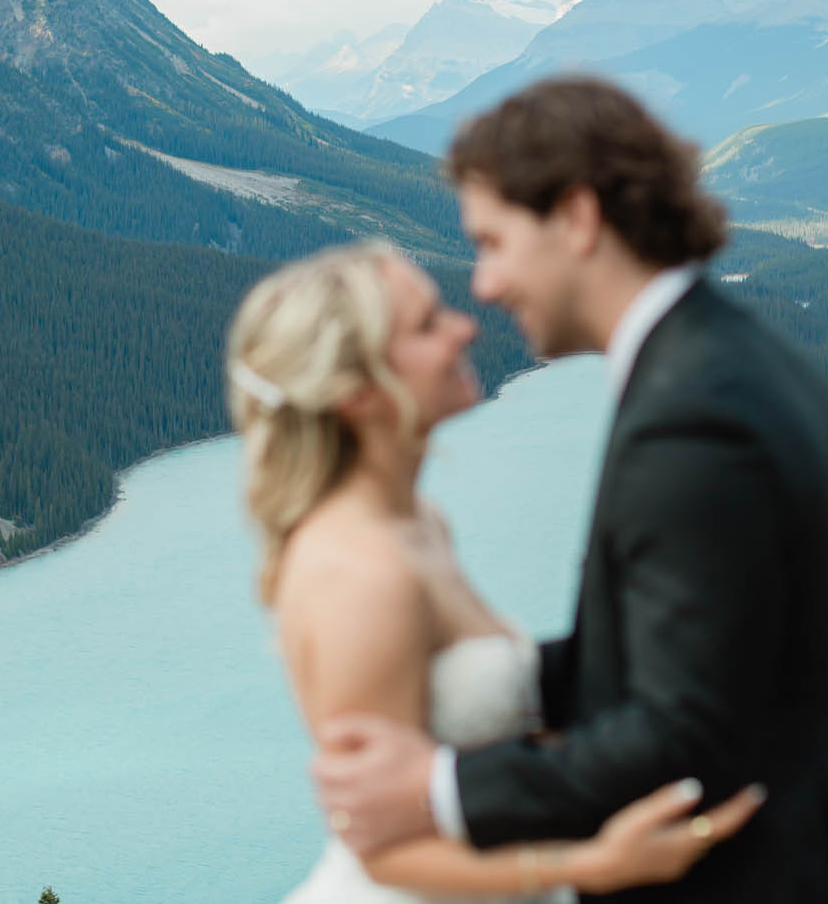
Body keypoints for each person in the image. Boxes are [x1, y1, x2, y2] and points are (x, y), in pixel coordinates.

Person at [312, 77, 828, 903]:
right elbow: (713, 650)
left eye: (493, 241)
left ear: (576, 217)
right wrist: (515, 680)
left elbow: (684, 729)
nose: (483, 286)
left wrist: (439, 788)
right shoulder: (730, 358)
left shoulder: (693, 418)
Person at [228, 240, 766, 902]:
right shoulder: (360, 577)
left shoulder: (420, 524)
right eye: (427, 325)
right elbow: (384, 852)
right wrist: (591, 864)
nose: (466, 325)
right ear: (357, 392)